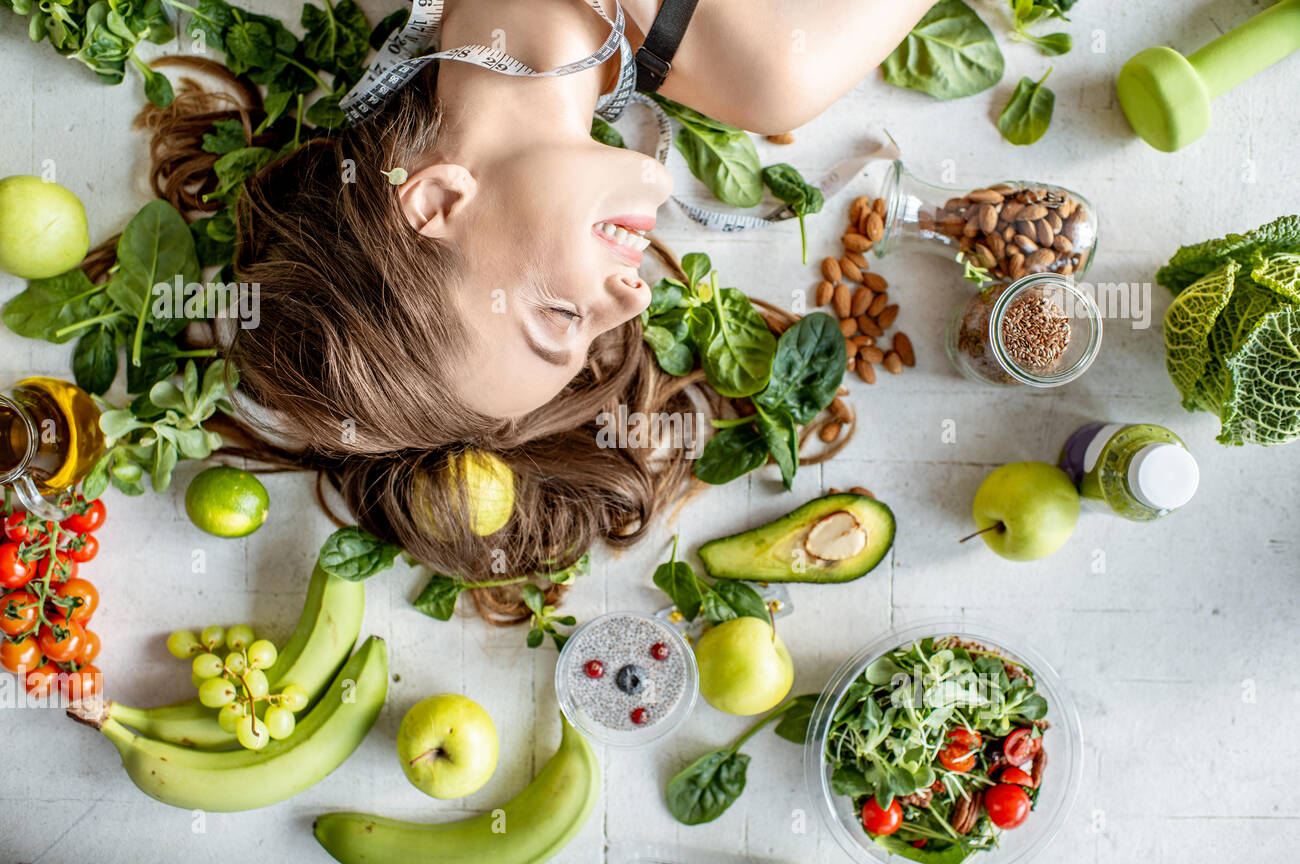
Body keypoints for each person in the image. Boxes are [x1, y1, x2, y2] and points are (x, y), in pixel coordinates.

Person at [159, 0, 931, 614]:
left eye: (561, 316)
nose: (631, 302)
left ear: (434, 201)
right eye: (590, 334)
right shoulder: (771, 65)